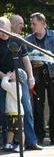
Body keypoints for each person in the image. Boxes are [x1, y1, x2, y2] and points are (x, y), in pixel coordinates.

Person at [0, 17, 41, 150]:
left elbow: (26, 59)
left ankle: (31, 141)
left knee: (26, 109)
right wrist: (5, 77)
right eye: (0, 30)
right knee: (5, 110)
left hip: (21, 80)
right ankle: (7, 143)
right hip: (2, 80)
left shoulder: (17, 39)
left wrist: (31, 77)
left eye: (6, 30)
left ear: (10, 28)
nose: (3, 33)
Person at [26, 12, 54, 146]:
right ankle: (39, 136)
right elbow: (25, 57)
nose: (32, 26)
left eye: (34, 24)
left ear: (42, 23)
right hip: (37, 76)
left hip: (52, 75)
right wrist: (33, 62)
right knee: (38, 106)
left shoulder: (53, 36)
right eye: (31, 24)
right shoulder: (28, 39)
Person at [1, 70, 26, 151]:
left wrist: (6, 77)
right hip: (13, 112)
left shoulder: (14, 86)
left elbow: (3, 84)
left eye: (13, 72)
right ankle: (9, 143)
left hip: (16, 112)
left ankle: (21, 146)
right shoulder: (14, 85)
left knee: (19, 130)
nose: (11, 73)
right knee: (10, 129)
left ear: (18, 77)